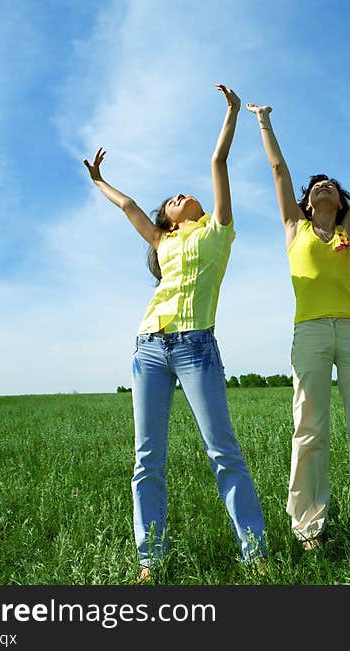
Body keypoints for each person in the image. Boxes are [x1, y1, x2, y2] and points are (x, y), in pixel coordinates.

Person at [83, 84, 267, 581]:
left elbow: (218, 162)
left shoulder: (217, 231)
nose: (180, 197)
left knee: (222, 449)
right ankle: (150, 560)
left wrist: (231, 114)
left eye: (183, 196)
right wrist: (99, 178)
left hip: (195, 347)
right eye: (171, 200)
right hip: (148, 347)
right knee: (147, 458)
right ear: (166, 217)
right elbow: (127, 206)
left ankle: (256, 552)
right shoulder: (162, 239)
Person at [246, 100, 350, 549]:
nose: (325, 187)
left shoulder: (348, 231)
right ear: (306, 200)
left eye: (330, 185)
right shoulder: (294, 227)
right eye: (317, 185)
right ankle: (308, 526)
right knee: (309, 428)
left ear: (338, 200)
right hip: (310, 332)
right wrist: (264, 121)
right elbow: (278, 169)